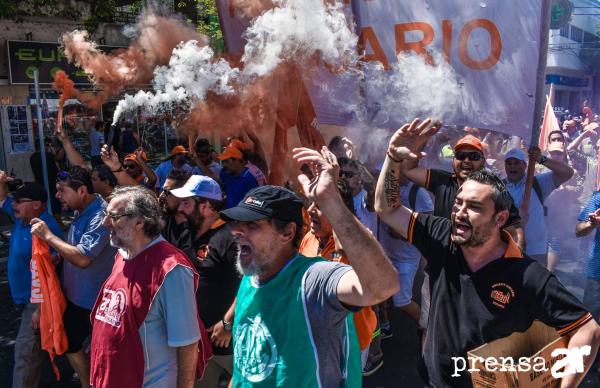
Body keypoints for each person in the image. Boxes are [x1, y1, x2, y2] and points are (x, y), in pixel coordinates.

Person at [375, 118, 600, 387]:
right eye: (458, 203)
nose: (459, 211)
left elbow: (587, 329)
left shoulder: (527, 276)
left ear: (500, 218)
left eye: (474, 206)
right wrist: (392, 157)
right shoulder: (441, 235)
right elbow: (387, 209)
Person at [222, 147, 399, 386]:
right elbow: (244, 363)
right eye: (237, 223)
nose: (236, 231)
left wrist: (331, 201)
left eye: (252, 225)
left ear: (287, 232)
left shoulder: (311, 277)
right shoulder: (254, 272)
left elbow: (382, 286)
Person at [89, 185, 210, 387]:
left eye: (114, 216)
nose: (105, 222)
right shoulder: (123, 255)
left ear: (139, 222)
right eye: (105, 214)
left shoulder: (171, 269)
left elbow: (187, 343)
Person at [30, 166, 117, 388]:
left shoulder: (100, 215)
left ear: (81, 191)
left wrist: (48, 236)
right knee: (70, 344)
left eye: (62, 190)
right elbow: (76, 249)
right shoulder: (82, 210)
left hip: (95, 304)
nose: (57, 195)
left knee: (106, 357)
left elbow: (82, 258)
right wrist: (60, 254)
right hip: (76, 299)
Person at [299, 180, 377, 371]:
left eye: (319, 206)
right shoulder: (309, 237)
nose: (310, 210)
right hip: (315, 340)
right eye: (311, 203)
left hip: (350, 342)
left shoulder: (358, 243)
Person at [169, 175, 239, 387]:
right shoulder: (186, 233)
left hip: (224, 340)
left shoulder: (231, 238)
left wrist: (228, 322)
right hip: (194, 338)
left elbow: (251, 283)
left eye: (187, 203)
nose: (181, 208)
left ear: (206, 206)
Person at [0, 178, 63, 388]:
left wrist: (39, 307)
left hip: (36, 303)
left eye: (18, 201)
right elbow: (2, 198)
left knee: (24, 358)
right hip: (25, 301)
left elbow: (49, 273)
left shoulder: (45, 228)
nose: (13, 204)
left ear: (36, 204)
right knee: (35, 354)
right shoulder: (23, 219)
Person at [503, 146, 573, 265]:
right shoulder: (499, 187)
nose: (512, 166)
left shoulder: (537, 183)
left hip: (536, 250)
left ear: (525, 165)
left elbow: (567, 173)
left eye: (516, 163)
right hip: (507, 248)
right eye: (509, 163)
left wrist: (540, 158)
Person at [160, 169, 192, 247]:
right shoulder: (163, 221)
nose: (161, 195)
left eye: (167, 192)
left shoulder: (193, 230)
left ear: (183, 195)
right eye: (162, 190)